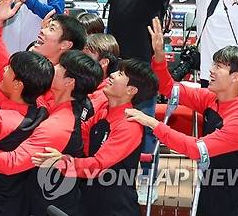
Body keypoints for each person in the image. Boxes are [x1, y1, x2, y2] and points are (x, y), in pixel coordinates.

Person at [126, 17, 238, 216]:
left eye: (219, 67)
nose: (211, 70)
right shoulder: (211, 98)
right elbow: (168, 88)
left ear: (236, 77)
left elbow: (197, 149)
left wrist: (153, 124)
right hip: (212, 194)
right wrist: (159, 55)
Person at [84, 0, 174, 201]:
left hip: (143, 65)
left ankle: (147, 178)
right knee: (108, 121)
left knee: (144, 124)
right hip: (115, 65)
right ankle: (106, 171)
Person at [0, 50, 102, 216]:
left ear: (69, 82)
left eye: (60, 66)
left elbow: (11, 163)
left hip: (53, 209)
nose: (54, 67)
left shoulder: (60, 125)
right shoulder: (51, 103)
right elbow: (10, 94)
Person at [32, 59, 158, 216]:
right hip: (90, 199)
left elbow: (99, 164)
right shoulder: (103, 112)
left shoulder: (129, 125)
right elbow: (79, 137)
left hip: (115, 207)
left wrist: (62, 162)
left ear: (131, 90)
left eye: (119, 74)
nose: (111, 75)